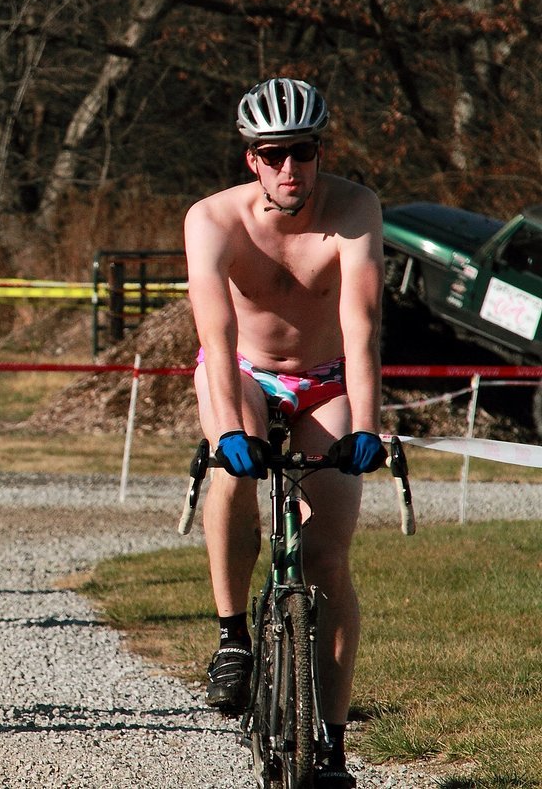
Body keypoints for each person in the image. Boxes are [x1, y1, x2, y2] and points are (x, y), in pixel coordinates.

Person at [185, 78, 385, 789]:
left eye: (301, 152)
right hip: (243, 371)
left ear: (319, 151)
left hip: (328, 377)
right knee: (230, 467)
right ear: (252, 161)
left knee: (329, 559)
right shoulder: (212, 220)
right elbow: (214, 331)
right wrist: (231, 432)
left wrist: (367, 425)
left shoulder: (356, 210)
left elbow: (362, 330)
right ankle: (232, 636)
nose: (289, 170)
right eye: (273, 155)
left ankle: (329, 743)